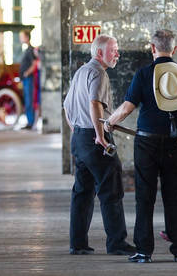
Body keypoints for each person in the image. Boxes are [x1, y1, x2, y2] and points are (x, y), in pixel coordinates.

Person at [105, 29, 177, 263]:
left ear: (152, 48)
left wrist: (109, 122)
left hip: (147, 142)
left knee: (145, 197)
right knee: (174, 196)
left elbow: (127, 108)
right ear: (174, 49)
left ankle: (144, 251)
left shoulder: (144, 74)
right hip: (175, 142)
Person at [63, 34, 136, 256]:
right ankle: (116, 243)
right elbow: (94, 104)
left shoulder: (81, 71)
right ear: (99, 53)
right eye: (113, 50)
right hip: (95, 139)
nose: (117, 54)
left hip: (80, 139)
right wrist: (100, 136)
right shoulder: (98, 72)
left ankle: (78, 244)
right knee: (111, 190)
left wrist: (78, 131)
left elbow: (67, 106)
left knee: (82, 192)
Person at [18, 30, 38, 130]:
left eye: (21, 36)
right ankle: (29, 121)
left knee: (29, 100)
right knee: (27, 100)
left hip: (29, 79)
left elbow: (34, 64)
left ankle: (30, 122)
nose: (20, 38)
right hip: (26, 79)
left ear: (26, 37)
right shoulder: (27, 49)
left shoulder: (30, 50)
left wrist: (27, 73)